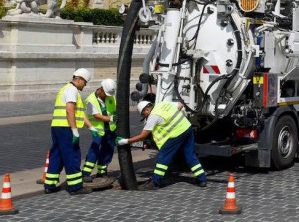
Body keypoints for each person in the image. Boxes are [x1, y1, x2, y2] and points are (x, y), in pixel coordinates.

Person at [117, 101, 207, 190]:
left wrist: (125, 141)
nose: (145, 117)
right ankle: (202, 180)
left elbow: (143, 136)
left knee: (163, 158)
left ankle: (156, 182)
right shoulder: (163, 104)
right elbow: (180, 105)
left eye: (144, 115)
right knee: (190, 155)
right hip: (187, 128)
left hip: (175, 135)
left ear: (146, 110)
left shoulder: (153, 117)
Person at [44, 68, 104, 196]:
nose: (85, 85)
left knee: (57, 155)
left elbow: (80, 113)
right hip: (66, 128)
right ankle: (75, 187)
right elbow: (70, 110)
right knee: (72, 155)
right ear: (79, 79)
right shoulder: (72, 90)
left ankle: (49, 185)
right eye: (85, 82)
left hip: (57, 126)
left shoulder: (65, 89)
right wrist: (74, 130)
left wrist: (91, 127)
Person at [82, 79, 117, 182]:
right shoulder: (91, 100)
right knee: (95, 149)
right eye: (105, 94)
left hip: (110, 128)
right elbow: (97, 116)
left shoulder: (111, 96)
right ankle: (85, 173)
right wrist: (111, 119)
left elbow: (114, 110)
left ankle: (102, 172)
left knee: (108, 149)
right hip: (97, 130)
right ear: (101, 89)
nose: (107, 96)